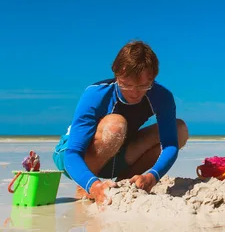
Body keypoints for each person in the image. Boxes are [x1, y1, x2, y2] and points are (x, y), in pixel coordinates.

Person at [52, 40, 189, 205]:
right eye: (126, 85)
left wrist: (152, 177)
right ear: (117, 75)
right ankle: (87, 186)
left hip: (118, 151)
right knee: (116, 125)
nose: (134, 92)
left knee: (179, 128)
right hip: (73, 156)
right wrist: (92, 185)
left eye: (143, 86)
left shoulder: (162, 96)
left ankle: (125, 183)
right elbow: (72, 153)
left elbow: (170, 145)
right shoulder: (96, 94)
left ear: (153, 78)